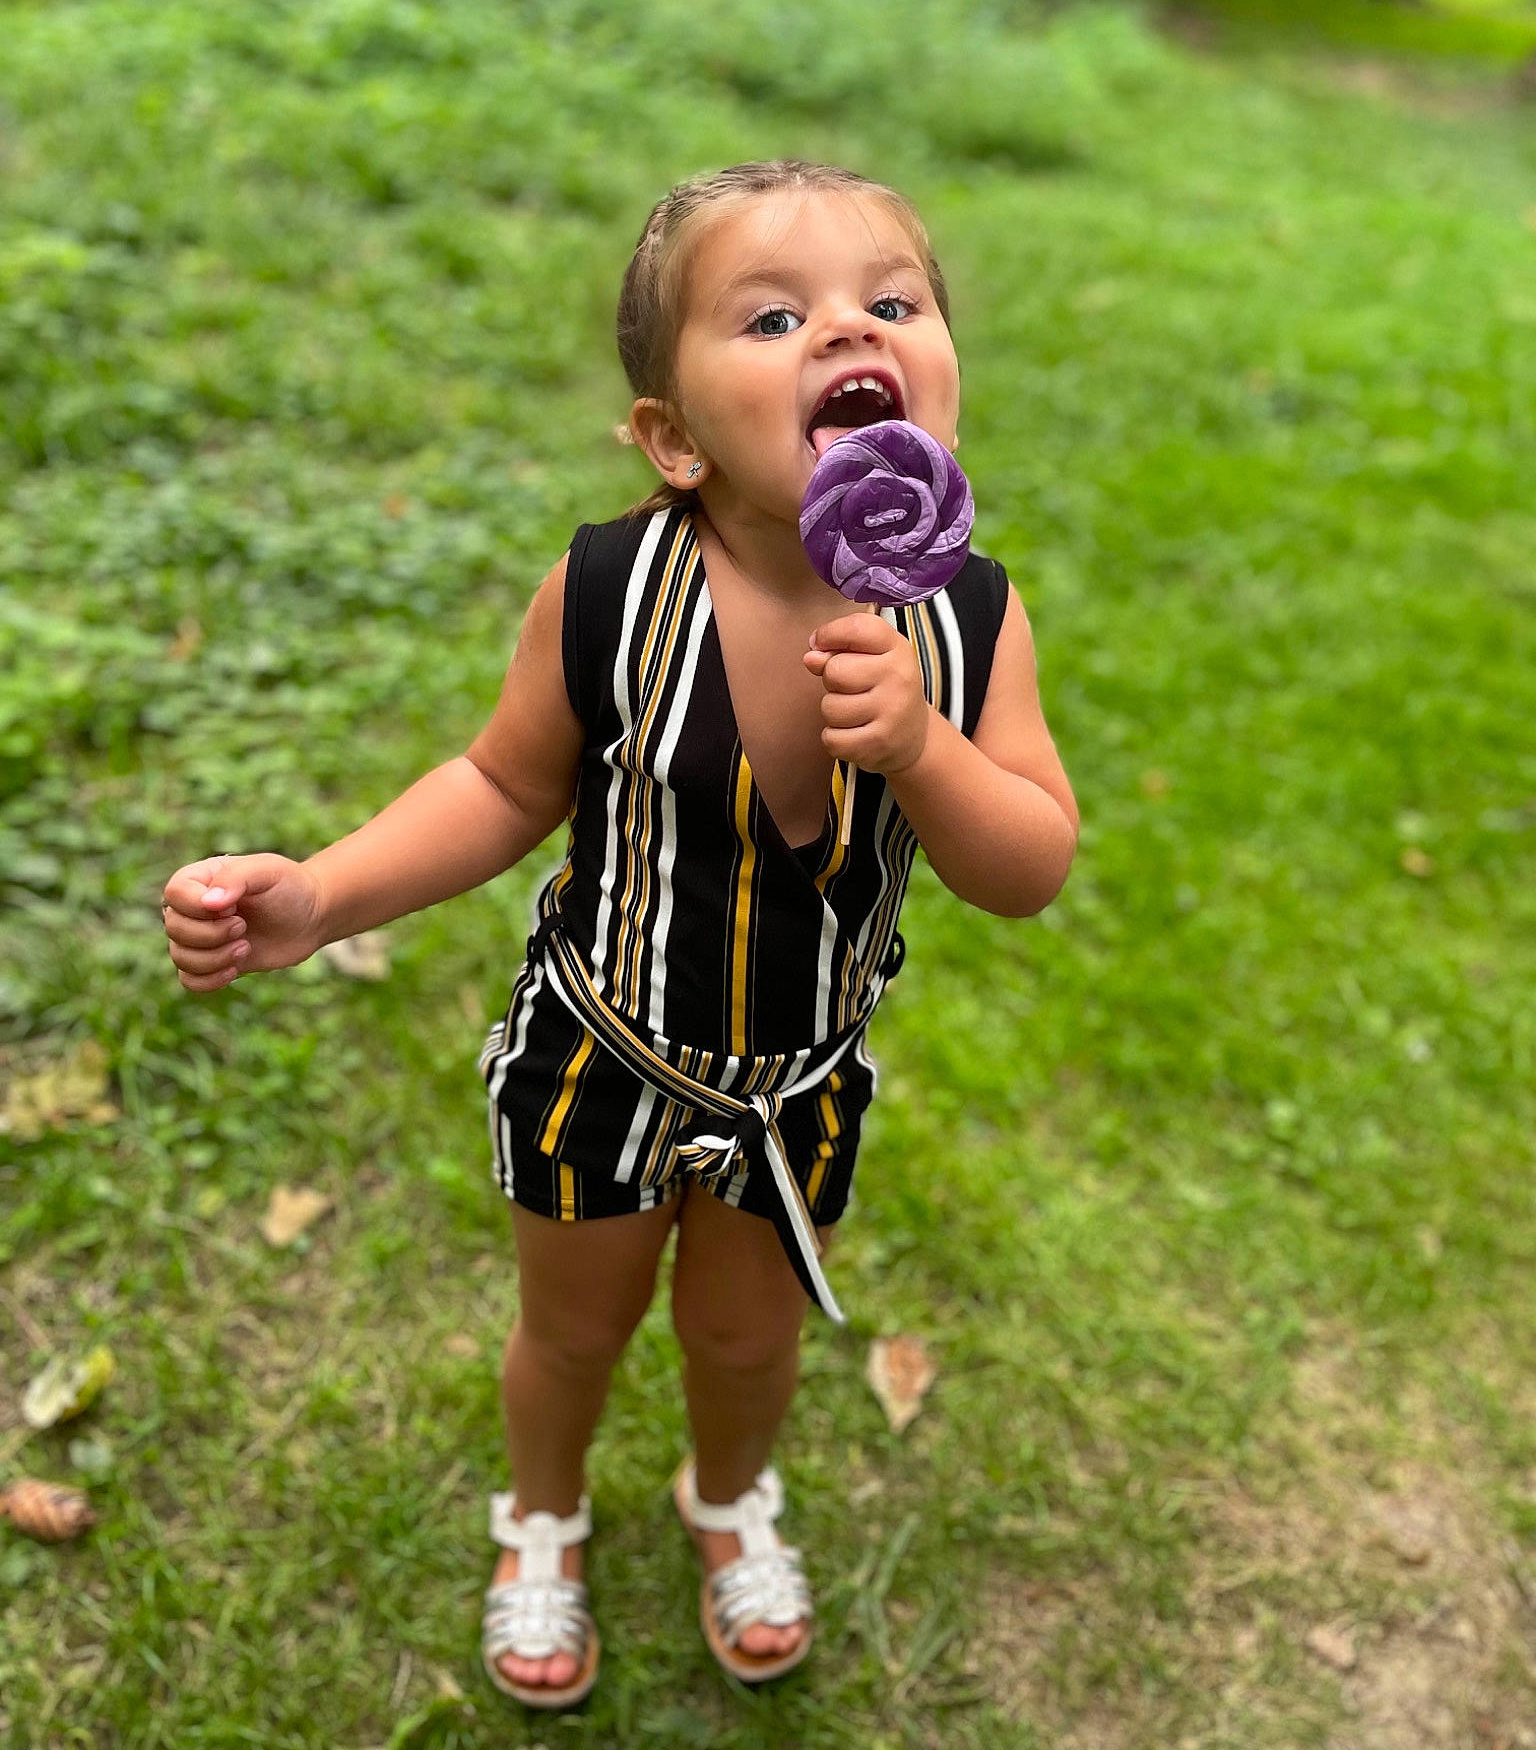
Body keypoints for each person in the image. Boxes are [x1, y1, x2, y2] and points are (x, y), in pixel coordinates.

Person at [159, 158, 1078, 1710]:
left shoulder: (970, 619)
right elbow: (498, 785)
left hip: (792, 1090)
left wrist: (926, 749)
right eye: (774, 315)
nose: (846, 328)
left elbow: (1032, 863)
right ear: (670, 439)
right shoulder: (605, 589)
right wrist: (319, 895)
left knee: (743, 1342)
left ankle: (727, 1502)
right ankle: (543, 1516)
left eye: (893, 301)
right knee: (571, 1331)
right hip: (603, 1052)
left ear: (942, 387)